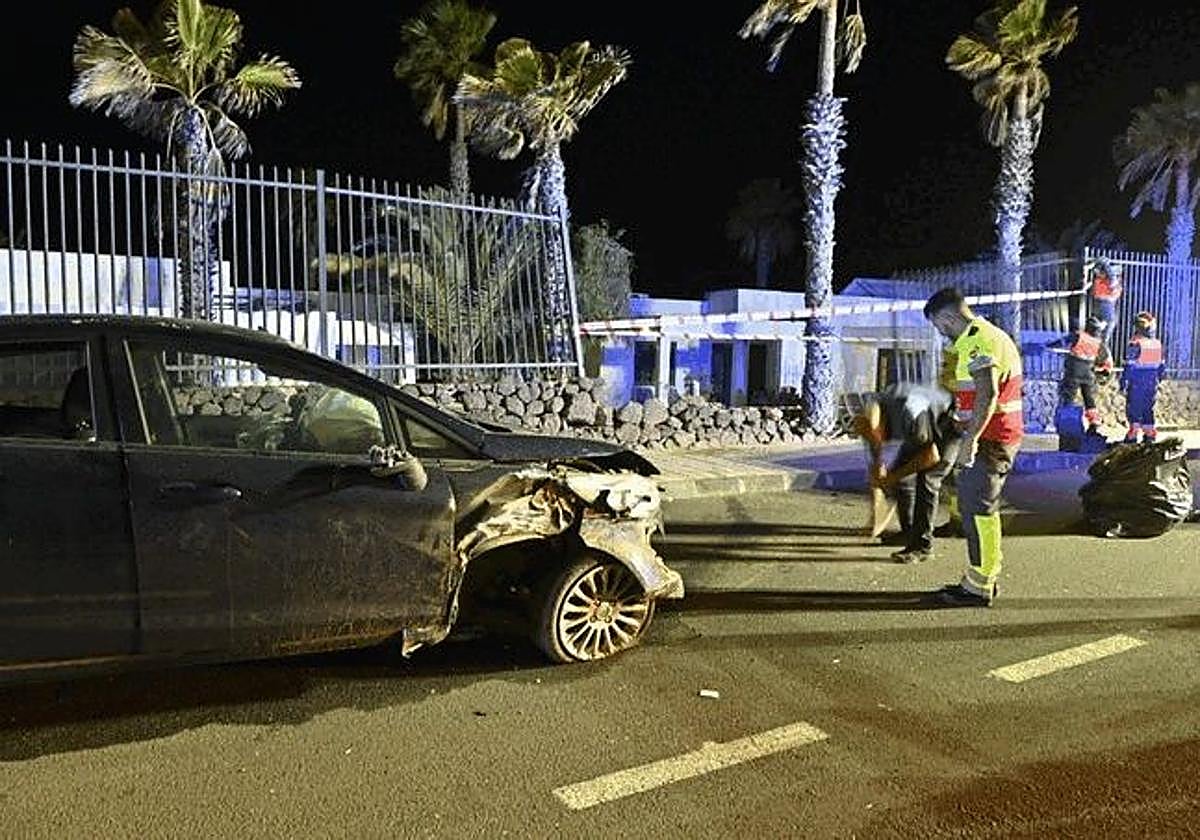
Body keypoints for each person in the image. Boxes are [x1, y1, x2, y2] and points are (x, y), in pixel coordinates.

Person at [923, 287, 1024, 607]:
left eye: (940, 326)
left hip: (991, 439)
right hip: (993, 436)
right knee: (980, 509)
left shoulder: (978, 339)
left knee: (980, 511)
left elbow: (988, 393)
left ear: (949, 317)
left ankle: (979, 585)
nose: (941, 333)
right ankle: (981, 579)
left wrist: (970, 441)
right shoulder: (987, 335)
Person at [852, 381, 961, 564]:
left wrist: (891, 478)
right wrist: (880, 473)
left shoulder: (910, 412)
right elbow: (874, 447)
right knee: (901, 476)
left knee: (927, 480)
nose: (877, 443)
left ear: (882, 426)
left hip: (949, 428)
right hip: (922, 429)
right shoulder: (872, 407)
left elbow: (931, 456)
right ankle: (909, 532)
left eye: (876, 437)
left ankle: (922, 547)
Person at [1048, 315, 1111, 435]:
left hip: (1074, 370)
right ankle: (1094, 423)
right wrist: (1101, 370)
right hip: (1089, 373)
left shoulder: (1078, 335)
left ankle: (1067, 422)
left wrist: (1048, 346)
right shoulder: (1099, 343)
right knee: (1089, 399)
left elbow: (1062, 342)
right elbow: (1103, 359)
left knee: (1068, 397)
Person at [1121, 311, 1165, 443]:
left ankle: (1133, 434)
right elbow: (1161, 367)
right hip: (1151, 382)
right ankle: (1149, 434)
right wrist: (1158, 380)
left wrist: (1123, 382)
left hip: (1137, 382)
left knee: (1134, 407)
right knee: (1148, 408)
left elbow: (1129, 366)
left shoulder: (1136, 343)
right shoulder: (1157, 344)